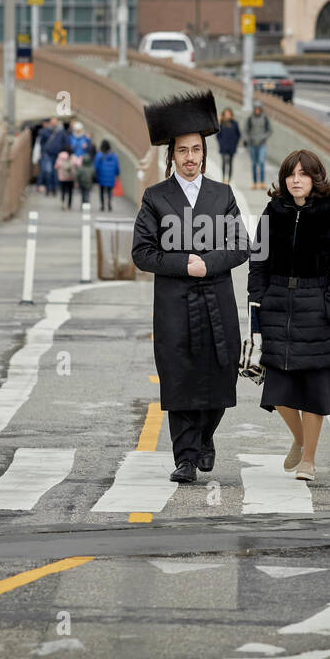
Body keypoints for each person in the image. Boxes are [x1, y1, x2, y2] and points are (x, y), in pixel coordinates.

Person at [132, 90, 249, 483]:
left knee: (220, 374)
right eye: (183, 151)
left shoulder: (223, 194)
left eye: (196, 150)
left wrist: (208, 264)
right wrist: (185, 264)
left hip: (216, 298)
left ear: (204, 152)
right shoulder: (155, 198)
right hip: (174, 303)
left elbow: (240, 244)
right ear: (172, 155)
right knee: (179, 376)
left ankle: (205, 436)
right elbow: (142, 253)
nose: (191, 158)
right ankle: (185, 457)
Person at [247, 149, 330, 482]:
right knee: (277, 390)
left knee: (313, 389)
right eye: (291, 174)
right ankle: (299, 438)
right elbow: (258, 263)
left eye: (303, 174)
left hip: (317, 307)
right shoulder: (272, 213)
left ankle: (308, 459)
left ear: (315, 178)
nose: (296, 180)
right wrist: (258, 304)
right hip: (277, 304)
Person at [244, 100, 272, 189]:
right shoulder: (250, 118)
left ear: (260, 109)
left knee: (262, 162)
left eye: (258, 109)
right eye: (255, 109)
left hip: (262, 144)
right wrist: (247, 139)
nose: (257, 110)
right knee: (254, 164)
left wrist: (264, 137)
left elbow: (269, 130)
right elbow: (246, 130)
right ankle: (255, 183)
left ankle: (262, 182)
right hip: (252, 144)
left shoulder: (264, 118)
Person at [215, 107, 241, 182]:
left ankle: (229, 179)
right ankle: (223, 178)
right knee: (223, 162)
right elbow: (218, 135)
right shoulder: (221, 123)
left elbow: (238, 135)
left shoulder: (235, 123)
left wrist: (235, 143)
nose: (227, 115)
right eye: (226, 114)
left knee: (230, 163)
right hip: (223, 147)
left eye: (229, 114)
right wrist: (221, 143)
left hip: (232, 147)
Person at [94, 139, 120, 211]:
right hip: (111, 176)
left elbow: (96, 166)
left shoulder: (99, 155)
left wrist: (95, 174)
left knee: (101, 191)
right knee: (109, 191)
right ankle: (109, 204)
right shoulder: (114, 156)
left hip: (101, 176)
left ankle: (102, 205)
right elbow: (116, 166)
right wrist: (117, 174)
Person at [75, 140, 96, 207]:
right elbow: (94, 176)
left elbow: (77, 175)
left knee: (83, 193)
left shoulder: (81, 168)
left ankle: (83, 203)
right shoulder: (91, 168)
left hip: (82, 183)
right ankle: (86, 203)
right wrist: (94, 181)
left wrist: (77, 182)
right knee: (87, 193)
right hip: (89, 183)